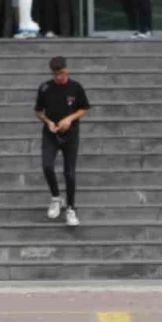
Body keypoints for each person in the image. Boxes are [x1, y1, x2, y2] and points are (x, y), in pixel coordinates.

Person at [34, 56, 91, 228]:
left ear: (67, 70)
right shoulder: (45, 88)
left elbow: (84, 108)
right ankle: (55, 197)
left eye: (62, 73)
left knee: (69, 173)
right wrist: (48, 122)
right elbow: (38, 111)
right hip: (51, 134)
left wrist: (69, 119)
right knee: (47, 166)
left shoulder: (76, 87)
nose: (59, 77)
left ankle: (71, 208)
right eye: (55, 74)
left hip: (70, 135)